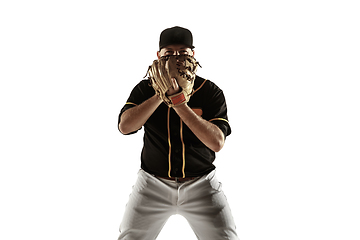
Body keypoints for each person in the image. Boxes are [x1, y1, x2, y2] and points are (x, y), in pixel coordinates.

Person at [117, 26, 239, 240]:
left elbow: (217, 142)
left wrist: (179, 103)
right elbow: (125, 126)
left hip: (201, 184)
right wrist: (159, 95)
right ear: (158, 56)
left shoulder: (210, 92)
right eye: (169, 54)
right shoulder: (145, 89)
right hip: (152, 184)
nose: (176, 58)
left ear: (193, 54)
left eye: (183, 53)